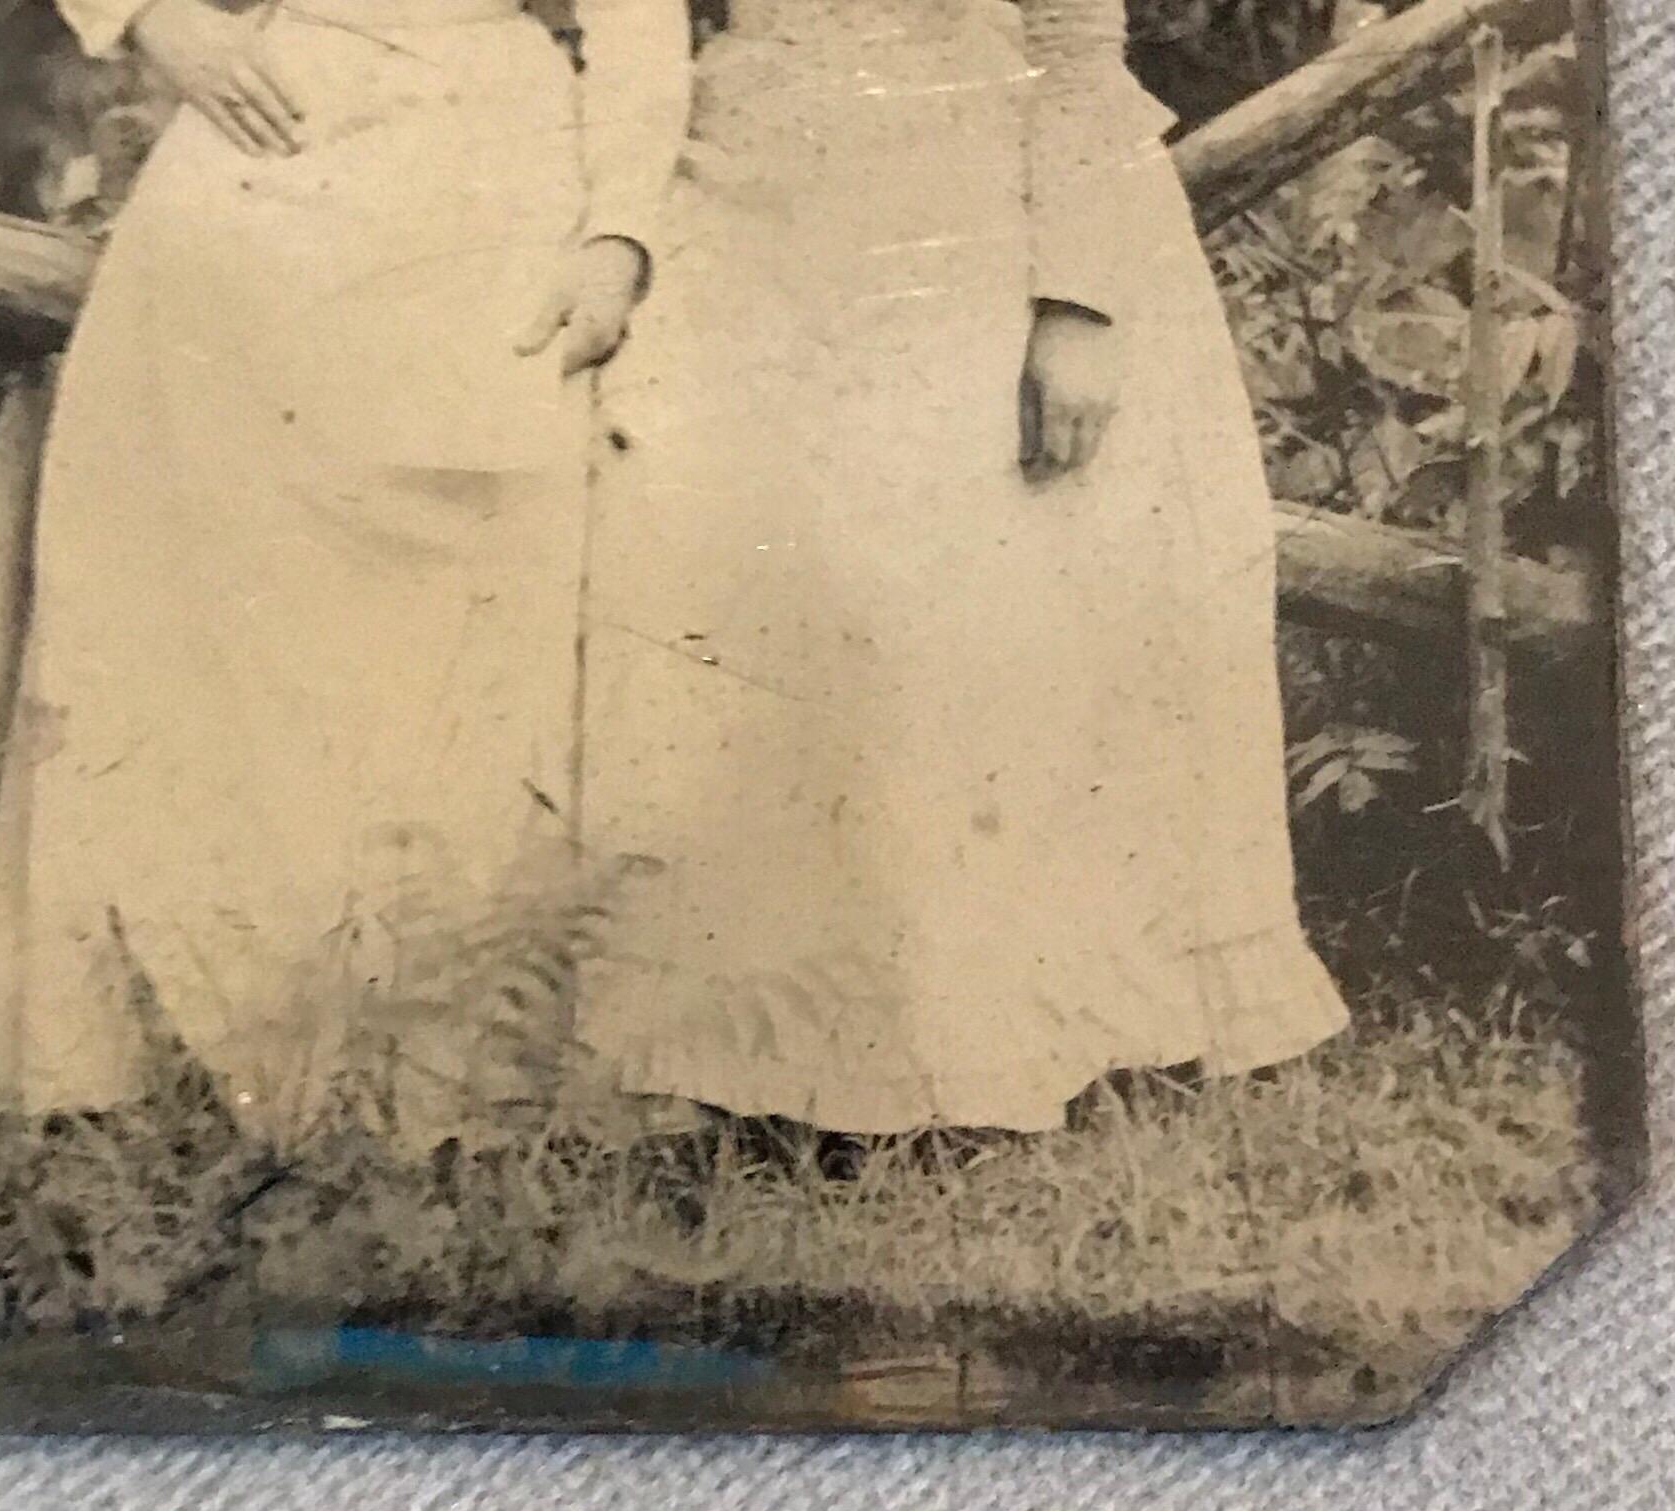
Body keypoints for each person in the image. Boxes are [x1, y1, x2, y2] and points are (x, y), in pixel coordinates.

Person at [571, 0, 1351, 1135]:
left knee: (958, 611)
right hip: (755, 210)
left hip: (987, 218)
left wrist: (1075, 299)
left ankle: (971, 1037)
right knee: (767, 609)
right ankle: (749, 1054)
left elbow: (1075, 49)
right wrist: (620, 235)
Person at [0, 0, 693, 1143]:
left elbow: (638, 21)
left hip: (491, 161)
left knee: (468, 605)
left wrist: (617, 238)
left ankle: (450, 1076)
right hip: (269, 133)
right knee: (183, 560)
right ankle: (178, 1060)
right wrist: (147, 19)